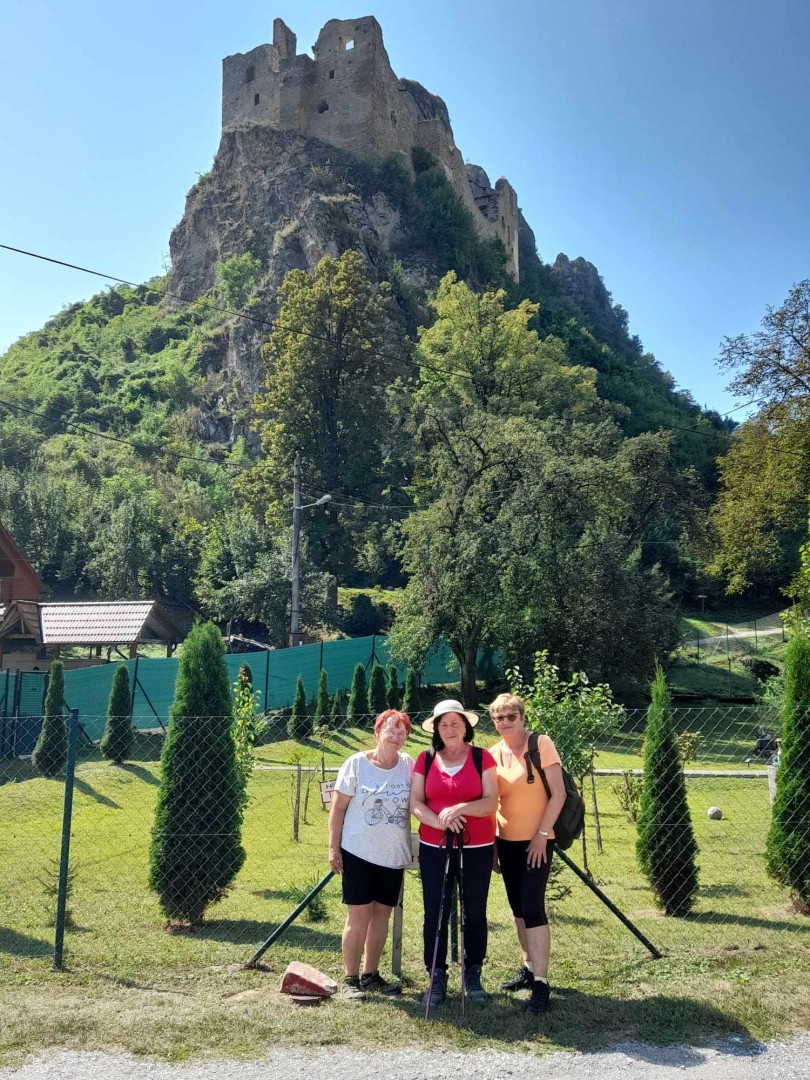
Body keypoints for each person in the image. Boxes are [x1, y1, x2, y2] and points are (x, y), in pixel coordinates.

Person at [409, 699, 498, 1007]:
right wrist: (440, 821)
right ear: (436, 729)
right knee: (435, 910)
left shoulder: (482, 758)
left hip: (477, 848)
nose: (449, 729)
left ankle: (473, 972)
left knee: (475, 910)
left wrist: (459, 809)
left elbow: (491, 802)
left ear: (466, 727)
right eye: (443, 724)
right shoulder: (425, 759)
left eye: (455, 723)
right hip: (435, 847)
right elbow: (416, 803)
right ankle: (436, 974)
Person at [489, 692, 566, 1017]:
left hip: (538, 841)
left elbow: (558, 794)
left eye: (511, 716)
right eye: (499, 717)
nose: (506, 722)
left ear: (522, 718)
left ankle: (541, 983)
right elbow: (494, 803)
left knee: (533, 908)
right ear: (494, 722)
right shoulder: (493, 754)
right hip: (506, 841)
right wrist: (494, 845)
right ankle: (527, 967)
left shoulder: (540, 744)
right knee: (518, 908)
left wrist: (542, 835)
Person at [328, 708, 414, 1001]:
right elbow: (338, 808)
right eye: (391, 730)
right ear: (377, 732)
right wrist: (333, 846)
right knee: (359, 915)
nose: (396, 736)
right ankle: (350, 978)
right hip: (358, 853)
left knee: (381, 916)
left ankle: (371, 974)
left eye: (402, 732)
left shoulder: (408, 764)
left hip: (393, 855)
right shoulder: (356, 764)